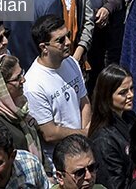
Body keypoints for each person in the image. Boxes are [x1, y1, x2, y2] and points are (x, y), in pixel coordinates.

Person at [23, 15, 91, 162]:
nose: (68, 42)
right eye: (60, 40)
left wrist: (86, 133)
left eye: (68, 35)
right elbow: (49, 133)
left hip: (83, 150)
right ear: (44, 47)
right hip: (59, 161)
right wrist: (83, 134)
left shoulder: (71, 63)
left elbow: (84, 101)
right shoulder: (34, 85)